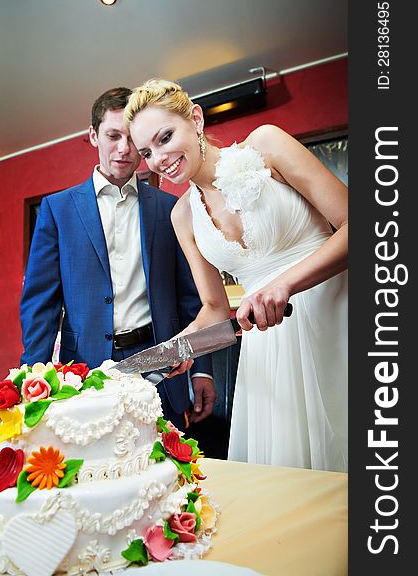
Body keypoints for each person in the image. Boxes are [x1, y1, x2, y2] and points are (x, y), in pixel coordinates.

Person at [124, 79, 348, 472]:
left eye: (165, 137)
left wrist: (286, 283)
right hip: (271, 352)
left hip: (338, 316)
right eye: (147, 151)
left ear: (195, 119)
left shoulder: (266, 144)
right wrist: (179, 349)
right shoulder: (183, 216)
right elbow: (213, 308)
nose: (158, 157)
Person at [20, 87, 216, 431]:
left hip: (162, 365)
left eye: (131, 140)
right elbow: (40, 304)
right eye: (112, 136)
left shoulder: (171, 209)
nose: (124, 150)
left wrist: (201, 367)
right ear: (93, 135)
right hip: (83, 372)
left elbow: (193, 297)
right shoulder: (57, 210)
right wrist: (31, 378)